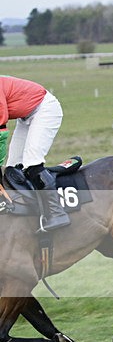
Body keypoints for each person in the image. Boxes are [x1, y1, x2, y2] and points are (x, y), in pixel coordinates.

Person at [0, 75, 70, 231]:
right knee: (12, 170)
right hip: (25, 116)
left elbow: (1, 135)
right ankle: (31, 212)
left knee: (32, 163)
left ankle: (56, 212)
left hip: (44, 110)